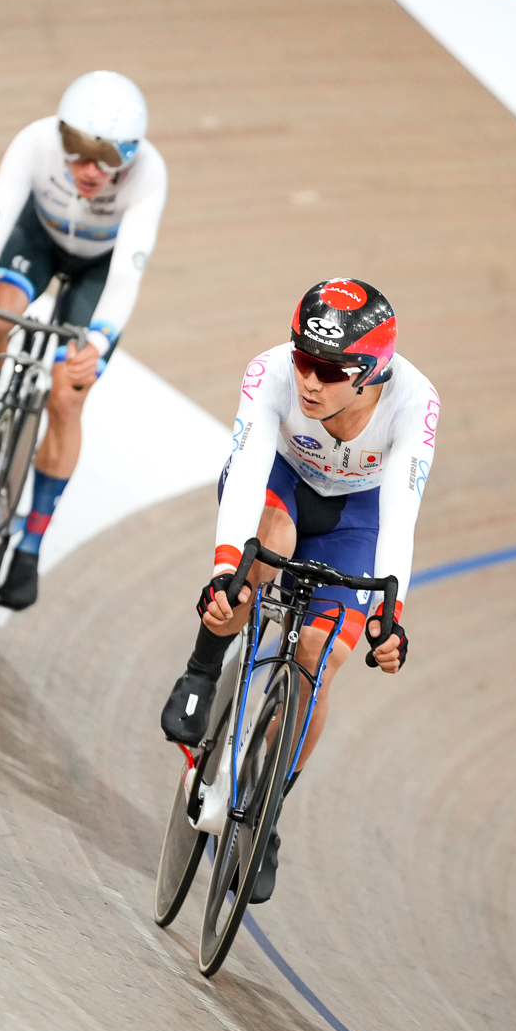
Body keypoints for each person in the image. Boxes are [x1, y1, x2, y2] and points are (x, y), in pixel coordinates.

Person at [158, 278, 436, 901]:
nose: (310, 380)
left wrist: (391, 614)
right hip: (278, 485)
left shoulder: (415, 402)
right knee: (267, 549)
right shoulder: (271, 372)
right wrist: (227, 568)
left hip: (354, 518)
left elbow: (400, 514)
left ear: (370, 372)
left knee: (322, 654)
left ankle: (267, 811)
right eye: (304, 359)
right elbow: (251, 461)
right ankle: (202, 670)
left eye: (331, 371)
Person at [0, 71, 168, 611]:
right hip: (36, 236)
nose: (88, 170)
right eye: (77, 151)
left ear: (130, 157)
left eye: (105, 158)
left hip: (99, 270)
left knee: (67, 393)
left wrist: (100, 340)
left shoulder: (150, 175)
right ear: (61, 136)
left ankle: (30, 547)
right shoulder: (35, 142)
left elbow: (126, 276)